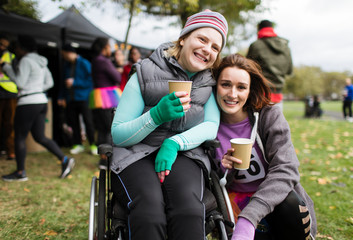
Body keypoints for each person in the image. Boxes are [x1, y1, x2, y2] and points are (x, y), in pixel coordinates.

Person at [110, 10, 228, 240]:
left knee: (189, 210)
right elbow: (118, 134)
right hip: (136, 154)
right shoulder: (144, 71)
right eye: (202, 39)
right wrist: (155, 116)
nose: (208, 49)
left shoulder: (208, 81)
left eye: (215, 47)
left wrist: (175, 143)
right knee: (149, 211)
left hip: (184, 154)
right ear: (183, 38)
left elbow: (212, 125)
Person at [213, 54, 316, 239]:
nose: (232, 94)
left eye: (241, 87)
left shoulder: (269, 117)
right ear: (215, 86)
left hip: (272, 204)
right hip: (233, 205)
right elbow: (211, 182)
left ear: (250, 90)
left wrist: (249, 217)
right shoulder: (209, 125)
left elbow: (287, 170)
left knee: (289, 201)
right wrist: (224, 170)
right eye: (225, 84)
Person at [0, 35, 74, 182]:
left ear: (22, 48)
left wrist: (6, 67)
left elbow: (20, 83)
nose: (16, 51)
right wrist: (37, 89)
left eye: (17, 48)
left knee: (19, 137)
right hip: (41, 100)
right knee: (40, 136)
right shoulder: (41, 62)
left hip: (28, 101)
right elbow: (50, 82)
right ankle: (64, 159)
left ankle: (21, 172)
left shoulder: (26, 60)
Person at [59, 44, 97, 155]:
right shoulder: (66, 65)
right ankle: (78, 144)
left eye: (63, 54)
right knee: (73, 122)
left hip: (84, 97)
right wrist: (61, 96)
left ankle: (93, 144)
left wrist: (75, 83)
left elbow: (91, 80)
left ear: (69, 52)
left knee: (88, 121)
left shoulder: (84, 63)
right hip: (71, 98)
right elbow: (63, 83)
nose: (63, 57)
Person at [246, 20, 293, 111]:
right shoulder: (285, 47)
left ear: (259, 29)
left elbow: (247, 68)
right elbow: (289, 70)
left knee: (257, 124)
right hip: (278, 94)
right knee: (276, 122)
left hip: (259, 93)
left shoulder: (256, 45)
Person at [89, 37, 122, 147]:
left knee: (102, 127)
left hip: (98, 96)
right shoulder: (103, 61)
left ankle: (101, 152)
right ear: (105, 47)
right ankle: (106, 156)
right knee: (109, 127)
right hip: (107, 97)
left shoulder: (95, 60)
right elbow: (117, 77)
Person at [0, 34, 17, 160]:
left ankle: (10, 150)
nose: (2, 47)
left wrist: (6, 68)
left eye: (4, 45)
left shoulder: (11, 57)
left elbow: (17, 77)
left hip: (9, 94)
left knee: (10, 123)